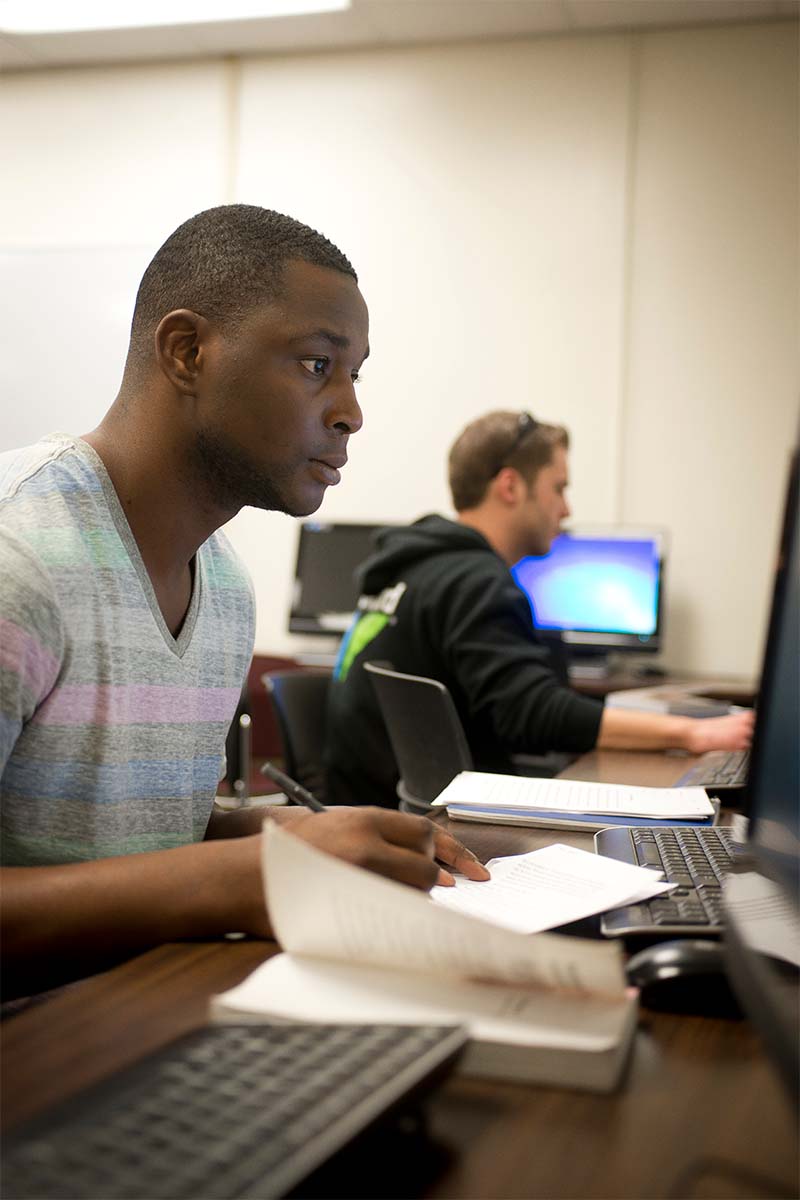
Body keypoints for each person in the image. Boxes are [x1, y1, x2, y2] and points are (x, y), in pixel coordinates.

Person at [0, 204, 487, 1002]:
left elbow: (145, 838)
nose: (351, 412)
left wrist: (301, 836)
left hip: (153, 1021)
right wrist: (234, 875)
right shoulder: (18, 558)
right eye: (315, 365)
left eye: (355, 373)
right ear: (187, 351)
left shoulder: (224, 588)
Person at [324, 410, 754, 807]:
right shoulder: (474, 581)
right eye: (559, 488)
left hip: (380, 808)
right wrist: (693, 732)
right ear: (511, 486)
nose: (566, 509)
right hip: (438, 827)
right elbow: (532, 714)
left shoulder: (415, 571)